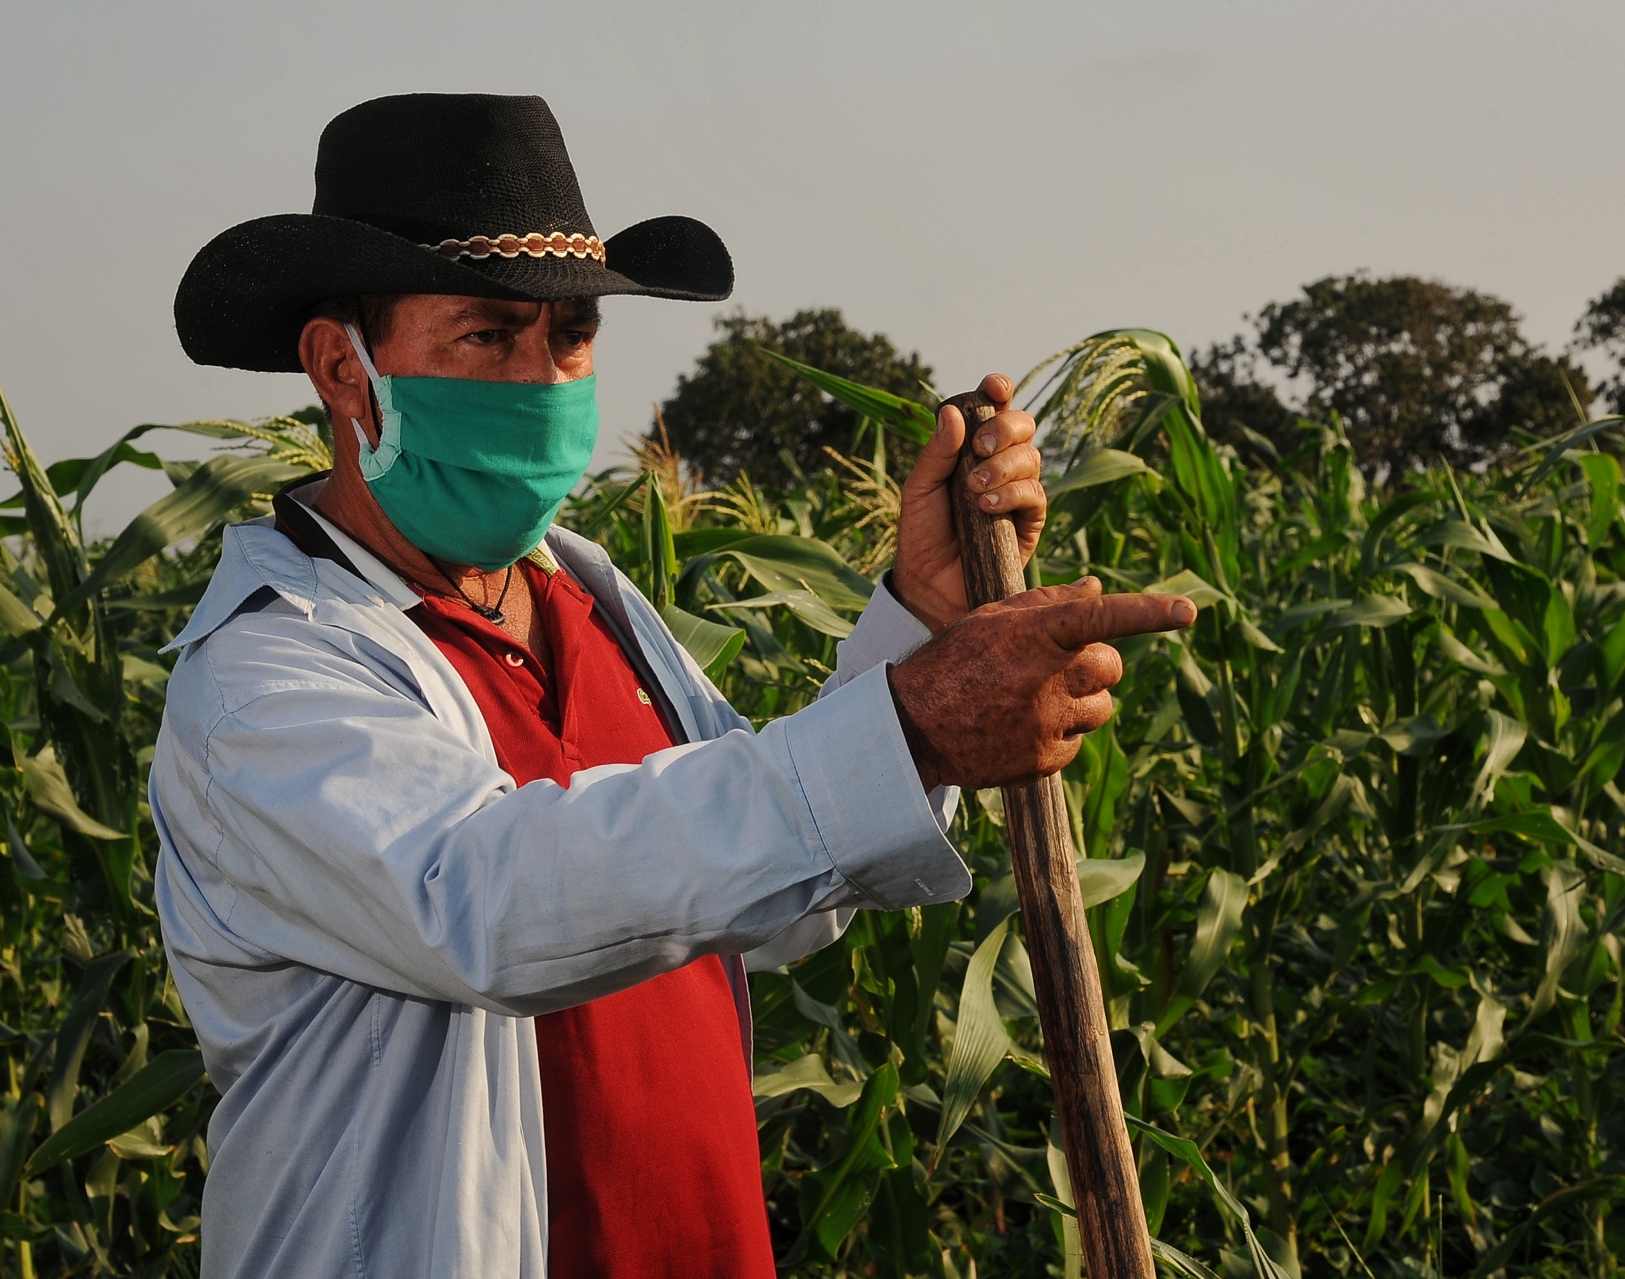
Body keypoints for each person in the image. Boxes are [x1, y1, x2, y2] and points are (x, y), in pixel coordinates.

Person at [155, 92, 1195, 1279]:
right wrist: (915, 726)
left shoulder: (589, 601)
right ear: (343, 367)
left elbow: (761, 886)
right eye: (488, 336)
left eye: (571, 336)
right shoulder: (268, 675)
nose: (544, 379)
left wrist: (920, 620)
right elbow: (491, 904)